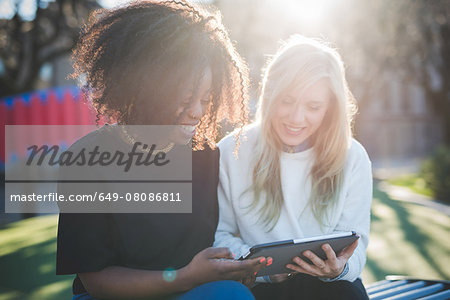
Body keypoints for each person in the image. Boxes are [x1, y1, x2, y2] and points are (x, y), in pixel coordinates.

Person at [56, 1, 269, 299]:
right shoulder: (85, 160)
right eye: (185, 99)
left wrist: (233, 268)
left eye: (206, 100)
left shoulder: (206, 153)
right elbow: (97, 281)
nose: (196, 112)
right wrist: (184, 278)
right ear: (147, 89)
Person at [214, 35, 373, 300]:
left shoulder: (352, 156)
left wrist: (338, 268)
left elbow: (357, 247)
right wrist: (266, 269)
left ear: (330, 108)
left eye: (313, 107)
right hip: (261, 287)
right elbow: (219, 235)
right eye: (286, 101)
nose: (296, 118)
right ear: (269, 94)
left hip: (332, 288)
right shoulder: (233, 150)